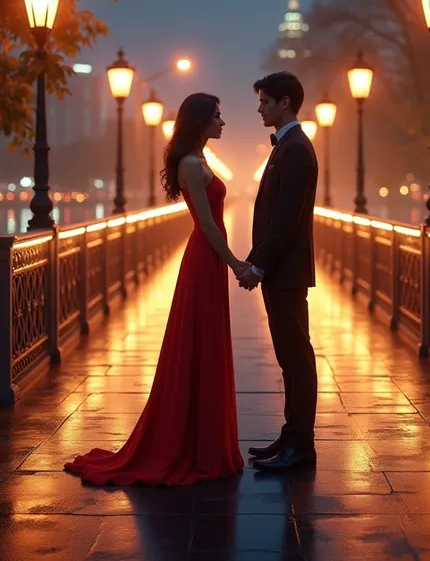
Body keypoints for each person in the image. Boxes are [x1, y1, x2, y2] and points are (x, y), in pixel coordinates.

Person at [64, 93, 246, 486]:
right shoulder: (192, 165)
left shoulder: (198, 160)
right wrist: (237, 264)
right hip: (204, 258)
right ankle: (195, 445)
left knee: (204, 341)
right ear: (199, 122)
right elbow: (208, 226)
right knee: (201, 341)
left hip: (206, 260)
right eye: (217, 116)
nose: (222, 122)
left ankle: (204, 442)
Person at [239, 72, 318, 470]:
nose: (259, 108)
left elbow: (287, 220)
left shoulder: (296, 150)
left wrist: (258, 264)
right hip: (281, 272)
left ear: (284, 102)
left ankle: (301, 446)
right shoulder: (287, 147)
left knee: (297, 358)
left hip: (285, 273)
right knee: (290, 357)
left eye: (265, 102)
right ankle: (291, 436)